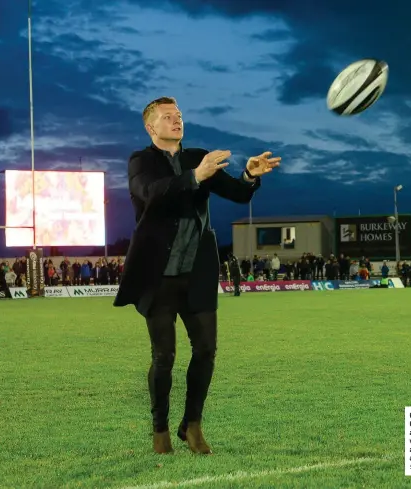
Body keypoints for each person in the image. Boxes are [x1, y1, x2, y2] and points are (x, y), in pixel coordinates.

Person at [113, 96, 280, 455]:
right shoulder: (141, 161)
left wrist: (249, 175)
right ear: (150, 126)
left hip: (198, 272)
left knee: (206, 350)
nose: (176, 120)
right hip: (158, 275)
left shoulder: (197, 156)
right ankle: (159, 429)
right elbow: (150, 193)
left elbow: (236, 194)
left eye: (179, 115)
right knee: (164, 356)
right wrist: (194, 177)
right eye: (167, 116)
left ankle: (192, 425)